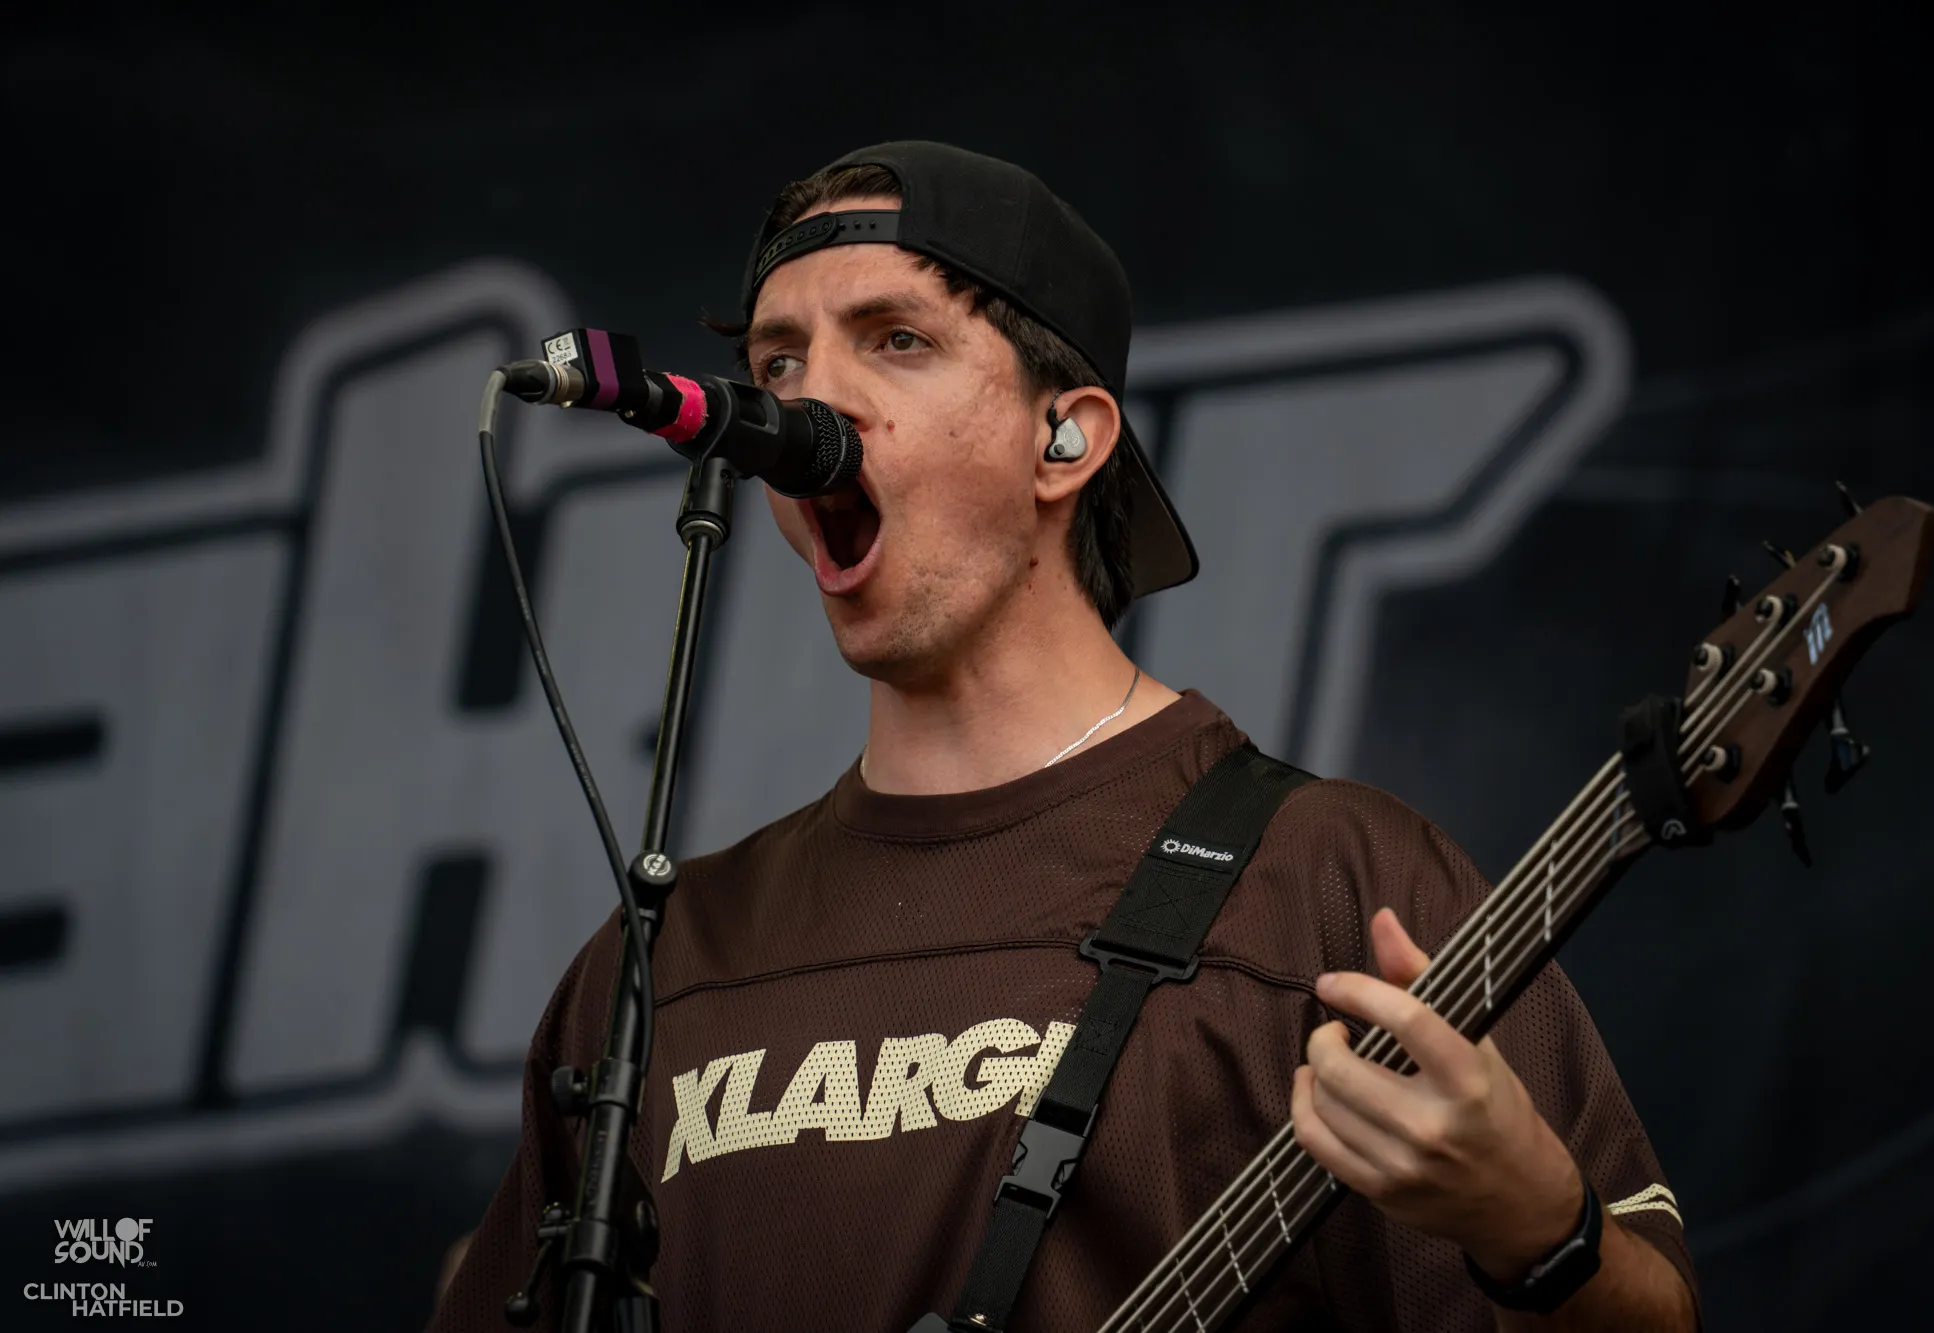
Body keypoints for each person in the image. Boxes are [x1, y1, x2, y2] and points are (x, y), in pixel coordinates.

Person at [429, 141, 1699, 1332]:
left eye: (896, 339)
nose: (811, 399)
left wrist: (1540, 1226)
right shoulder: (661, 963)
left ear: (1067, 435)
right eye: (777, 363)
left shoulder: (1325, 880)